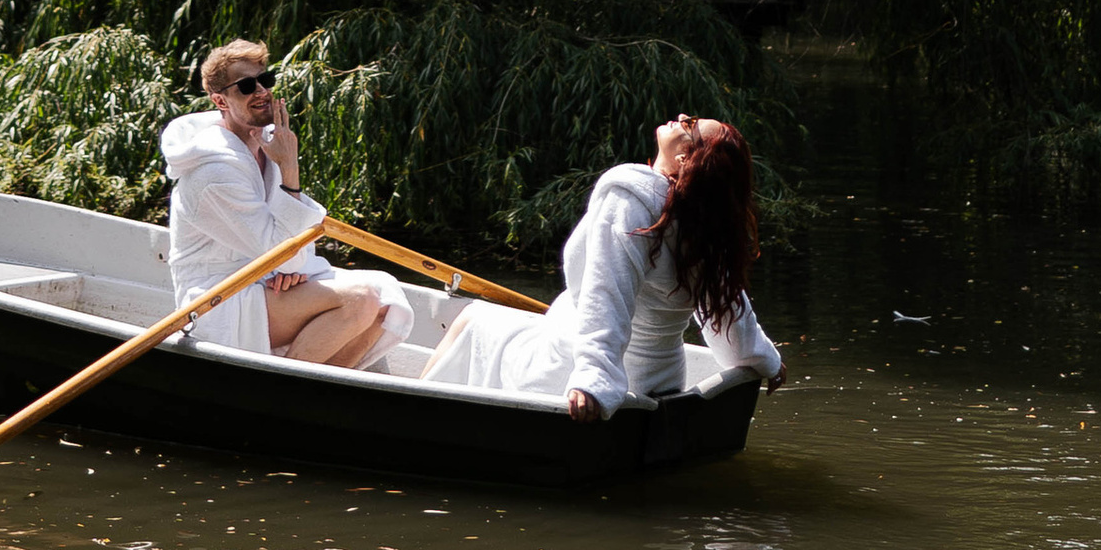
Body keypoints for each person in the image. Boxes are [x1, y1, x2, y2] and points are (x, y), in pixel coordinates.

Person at [422, 112, 785, 413]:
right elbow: (728, 310)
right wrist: (763, 360)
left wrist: (595, 381)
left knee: (473, 319)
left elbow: (607, 291)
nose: (679, 118)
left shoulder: (630, 197)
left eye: (688, 124)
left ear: (685, 158)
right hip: (662, 379)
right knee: (499, 323)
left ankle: (416, 413)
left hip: (574, 369)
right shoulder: (706, 226)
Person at [159, 41, 412, 367]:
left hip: (263, 281)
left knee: (387, 296)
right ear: (220, 100)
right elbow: (287, 249)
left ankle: (317, 391)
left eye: (267, 79)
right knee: (360, 300)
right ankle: (278, 391)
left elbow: (296, 245)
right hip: (218, 302)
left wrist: (288, 267)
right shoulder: (213, 173)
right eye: (247, 86)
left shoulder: (266, 146)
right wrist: (290, 170)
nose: (262, 91)